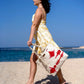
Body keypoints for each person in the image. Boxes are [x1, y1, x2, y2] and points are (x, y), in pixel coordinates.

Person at [27, 0, 66, 84]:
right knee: (36, 59)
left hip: (43, 38)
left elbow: (34, 25)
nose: (33, 0)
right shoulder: (42, 10)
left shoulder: (39, 10)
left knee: (52, 59)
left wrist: (30, 39)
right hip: (42, 37)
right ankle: (61, 80)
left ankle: (61, 80)